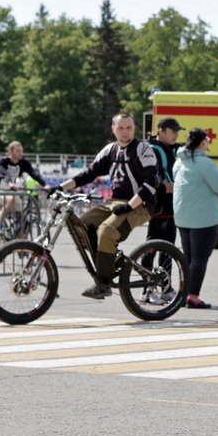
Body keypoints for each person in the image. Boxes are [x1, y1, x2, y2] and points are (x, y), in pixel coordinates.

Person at [60, 113, 159, 299]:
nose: (125, 132)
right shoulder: (110, 150)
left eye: (129, 128)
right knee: (80, 226)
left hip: (140, 204)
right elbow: (89, 173)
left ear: (134, 128)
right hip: (116, 202)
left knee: (106, 232)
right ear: (113, 129)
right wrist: (61, 186)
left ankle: (103, 283)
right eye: (120, 128)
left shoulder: (143, 148)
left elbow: (152, 181)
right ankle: (108, 262)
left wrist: (130, 205)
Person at [173, 128, 218, 309]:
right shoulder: (205, 163)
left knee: (188, 258)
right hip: (204, 218)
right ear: (203, 142)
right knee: (199, 259)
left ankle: (183, 295)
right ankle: (193, 296)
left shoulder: (180, 162)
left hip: (183, 216)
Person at [0, 141, 47, 232]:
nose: (20, 153)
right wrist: (10, 183)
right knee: (11, 199)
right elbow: (3, 173)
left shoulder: (23, 163)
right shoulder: (3, 162)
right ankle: (0, 223)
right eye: (18, 151)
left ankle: (20, 240)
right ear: (11, 151)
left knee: (22, 215)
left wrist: (45, 184)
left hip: (12, 191)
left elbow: (34, 174)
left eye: (21, 151)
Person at [146, 117, 182, 249]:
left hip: (171, 202)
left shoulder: (173, 148)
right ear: (161, 131)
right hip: (158, 203)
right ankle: (145, 268)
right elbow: (149, 175)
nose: (176, 135)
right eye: (173, 131)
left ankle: (165, 270)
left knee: (169, 244)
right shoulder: (151, 149)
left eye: (177, 131)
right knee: (152, 243)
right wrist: (162, 185)